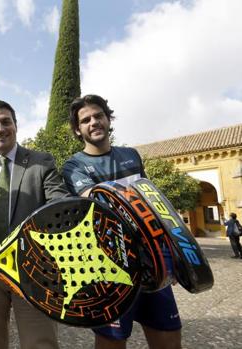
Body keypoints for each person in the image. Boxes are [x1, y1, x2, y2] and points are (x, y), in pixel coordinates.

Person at [62, 94, 182, 349]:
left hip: (154, 262)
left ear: (108, 119)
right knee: (111, 342)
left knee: (169, 338)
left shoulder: (132, 155)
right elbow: (98, 205)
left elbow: (151, 199)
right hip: (110, 269)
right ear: (78, 129)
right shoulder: (74, 165)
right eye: (85, 120)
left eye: (98, 116)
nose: (93, 122)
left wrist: (173, 254)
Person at [0, 99, 70, 349]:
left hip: (33, 269)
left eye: (5, 122)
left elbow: (59, 204)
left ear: (16, 125)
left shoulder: (42, 162)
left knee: (40, 343)